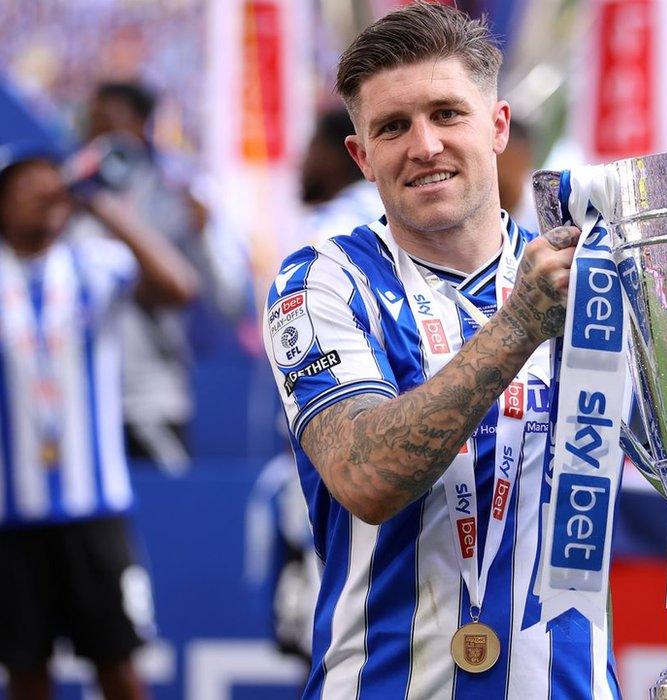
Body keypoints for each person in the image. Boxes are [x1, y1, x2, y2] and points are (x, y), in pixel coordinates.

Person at [263, 4, 619, 698]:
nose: (424, 146)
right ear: (362, 156)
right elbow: (366, 477)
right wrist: (519, 326)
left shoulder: (595, 275)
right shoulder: (320, 279)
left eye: (447, 114)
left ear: (498, 126)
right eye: (392, 127)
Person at [0, 146, 199, 699]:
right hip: (11, 518)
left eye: (52, 183)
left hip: (95, 512)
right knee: (25, 672)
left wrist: (103, 205)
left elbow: (179, 287)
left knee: (118, 666)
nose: (46, 194)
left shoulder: (91, 263)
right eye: (26, 186)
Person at [87, 81, 249, 473]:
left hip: (149, 395)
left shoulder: (178, 193)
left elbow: (226, 302)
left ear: (142, 123)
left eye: (112, 122)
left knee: (168, 513)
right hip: (81, 395)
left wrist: (203, 232)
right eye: (93, 125)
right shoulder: (71, 196)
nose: (100, 136)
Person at [300, 109, 383, 243]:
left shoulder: (340, 224)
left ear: (333, 158)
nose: (302, 163)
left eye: (313, 148)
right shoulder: (383, 208)